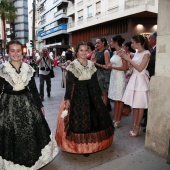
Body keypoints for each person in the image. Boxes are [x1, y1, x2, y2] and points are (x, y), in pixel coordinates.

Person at [0, 40, 58, 170]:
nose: (16, 53)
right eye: (12, 51)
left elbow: (33, 89)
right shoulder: (2, 69)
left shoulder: (28, 68)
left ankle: (33, 161)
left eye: (18, 50)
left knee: (30, 132)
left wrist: (40, 105)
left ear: (22, 52)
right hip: (8, 105)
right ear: (8, 52)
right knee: (12, 133)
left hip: (27, 103)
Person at [55, 42, 114, 155]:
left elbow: (95, 81)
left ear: (88, 51)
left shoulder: (91, 64)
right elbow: (69, 84)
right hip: (79, 95)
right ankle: (83, 146)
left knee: (95, 117)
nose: (83, 52)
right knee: (82, 120)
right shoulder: (72, 65)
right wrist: (68, 99)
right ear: (77, 52)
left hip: (92, 94)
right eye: (81, 50)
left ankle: (93, 144)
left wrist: (99, 95)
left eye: (85, 50)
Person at [120, 34, 151, 137]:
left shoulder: (147, 53)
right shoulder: (137, 53)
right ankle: (134, 126)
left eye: (133, 43)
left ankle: (137, 128)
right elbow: (132, 68)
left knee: (140, 105)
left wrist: (129, 59)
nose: (132, 45)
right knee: (135, 105)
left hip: (141, 80)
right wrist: (128, 60)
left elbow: (140, 68)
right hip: (134, 79)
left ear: (138, 43)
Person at [107, 35, 128, 128]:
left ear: (115, 42)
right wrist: (109, 66)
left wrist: (113, 67)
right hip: (114, 76)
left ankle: (118, 120)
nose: (110, 43)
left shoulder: (123, 52)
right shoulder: (115, 52)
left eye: (111, 41)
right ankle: (115, 118)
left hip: (119, 77)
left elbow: (125, 67)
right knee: (115, 99)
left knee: (120, 99)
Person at [141, 32, 157, 132]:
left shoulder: (157, 50)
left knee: (150, 101)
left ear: (155, 39)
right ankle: (145, 121)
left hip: (152, 77)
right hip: (148, 77)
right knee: (147, 100)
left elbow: (153, 64)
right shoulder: (151, 50)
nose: (148, 40)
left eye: (150, 38)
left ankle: (147, 122)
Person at [92, 37, 111, 106]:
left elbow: (107, 66)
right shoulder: (97, 52)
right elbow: (92, 61)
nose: (97, 44)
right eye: (96, 43)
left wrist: (96, 64)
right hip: (97, 74)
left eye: (98, 43)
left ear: (103, 43)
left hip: (103, 75)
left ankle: (103, 112)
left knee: (103, 93)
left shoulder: (106, 52)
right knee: (99, 94)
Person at [122, 41, 135, 116]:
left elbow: (132, 66)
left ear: (127, 47)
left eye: (124, 46)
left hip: (128, 74)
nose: (123, 48)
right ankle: (125, 108)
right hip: (123, 73)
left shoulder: (132, 54)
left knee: (127, 92)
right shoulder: (123, 54)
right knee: (124, 92)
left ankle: (128, 109)